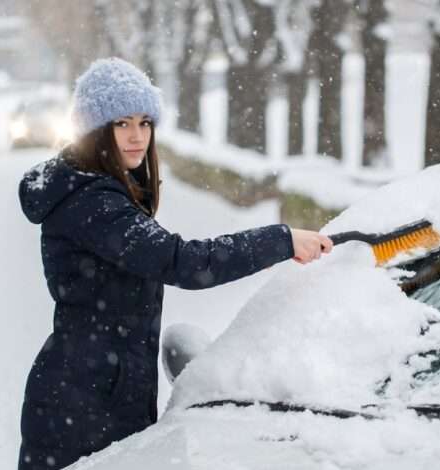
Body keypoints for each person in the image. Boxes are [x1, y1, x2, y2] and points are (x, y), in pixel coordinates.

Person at [16, 57, 333, 470]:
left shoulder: (103, 191)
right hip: (80, 411)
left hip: (102, 397)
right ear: (96, 130)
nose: (137, 136)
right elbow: (183, 262)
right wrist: (282, 240)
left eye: (145, 122)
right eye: (121, 123)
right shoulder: (94, 204)